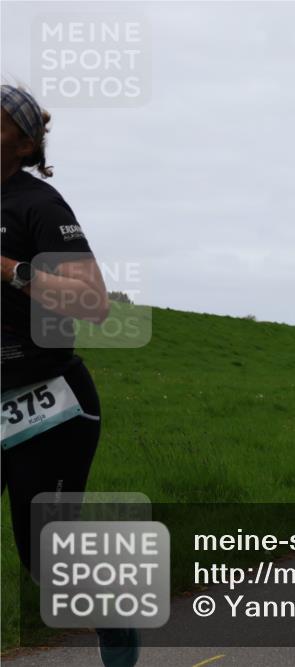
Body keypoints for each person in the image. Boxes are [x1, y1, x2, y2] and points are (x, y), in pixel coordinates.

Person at [1, 85, 138, 667]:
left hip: (49, 403)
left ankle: (114, 623)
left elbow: (94, 302)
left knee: (46, 558)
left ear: (23, 143)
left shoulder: (39, 206)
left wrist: (10, 269)